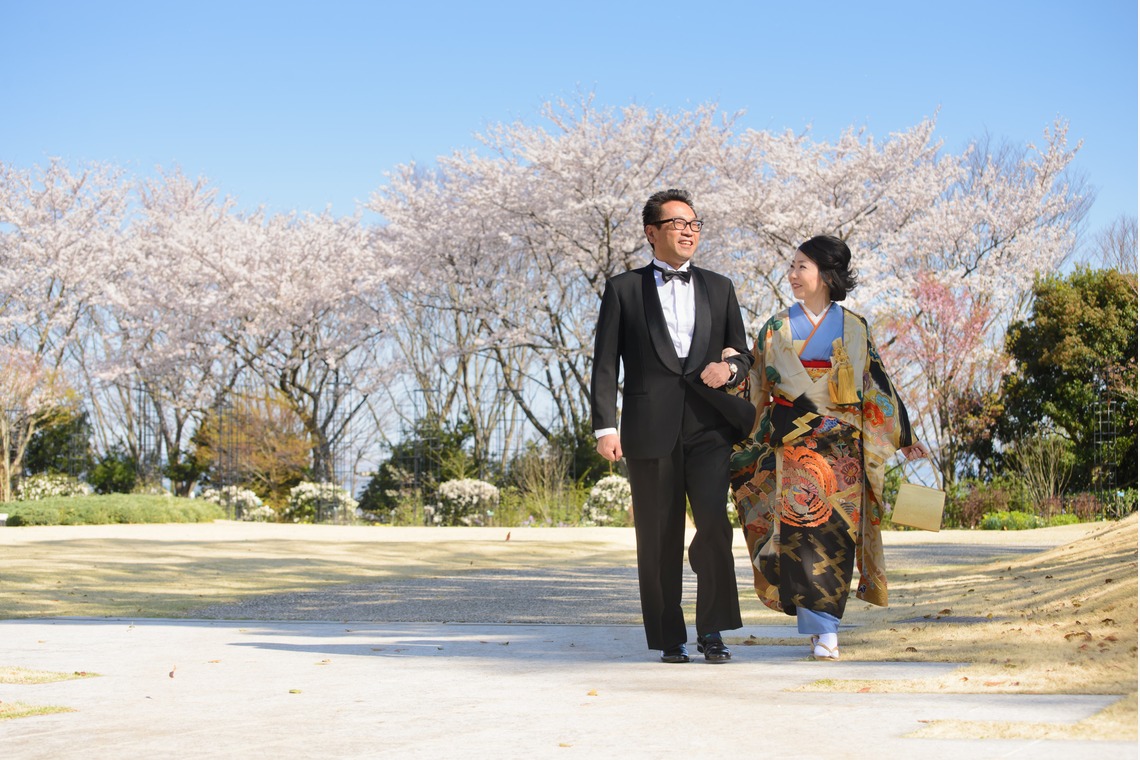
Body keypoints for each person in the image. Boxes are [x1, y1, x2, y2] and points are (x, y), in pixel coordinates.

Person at [727, 235, 928, 660]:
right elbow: (757, 387)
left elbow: (877, 385)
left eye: (802, 267)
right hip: (792, 448)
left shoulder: (855, 327)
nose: (793, 275)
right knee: (800, 536)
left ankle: (826, 628)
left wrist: (905, 437)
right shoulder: (776, 327)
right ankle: (821, 630)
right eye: (792, 266)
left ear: (827, 274)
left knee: (836, 536)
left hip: (841, 452)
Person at [591, 188, 756, 663]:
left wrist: (731, 370)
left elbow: (741, 354)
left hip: (710, 427)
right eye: (678, 223)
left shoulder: (720, 287)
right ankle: (669, 637)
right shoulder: (623, 290)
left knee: (714, 530)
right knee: (658, 537)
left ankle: (713, 631)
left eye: (694, 224)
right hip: (647, 429)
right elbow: (605, 364)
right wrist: (605, 426)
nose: (688, 231)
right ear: (652, 233)